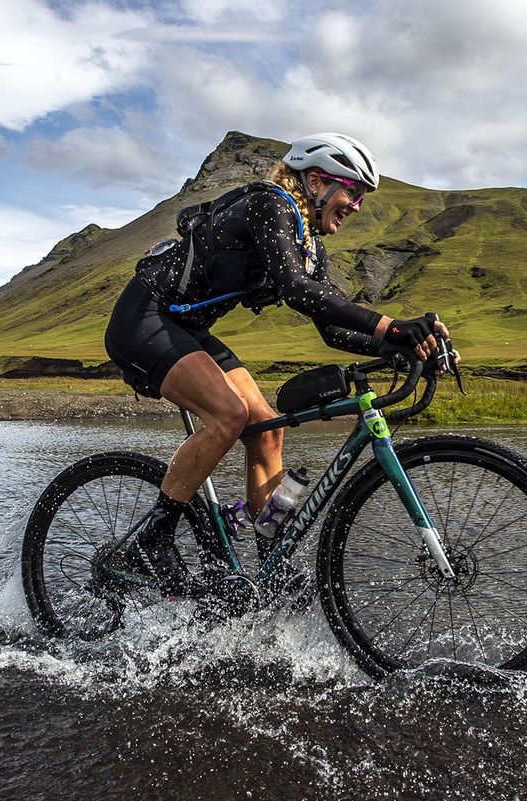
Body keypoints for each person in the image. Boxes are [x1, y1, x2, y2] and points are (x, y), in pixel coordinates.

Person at [104, 132, 450, 595]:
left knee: (267, 425)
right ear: (315, 181)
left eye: (362, 195)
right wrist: (392, 326)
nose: (357, 205)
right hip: (145, 317)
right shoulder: (273, 205)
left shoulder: (309, 244)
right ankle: (153, 538)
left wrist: (402, 350)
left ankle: (271, 561)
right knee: (229, 415)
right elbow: (297, 289)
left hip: (187, 326)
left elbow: (331, 327)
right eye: (353, 190)